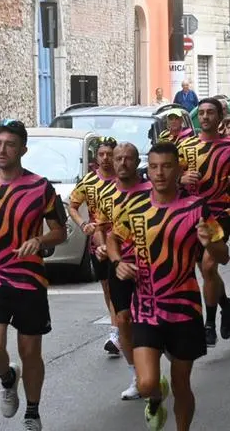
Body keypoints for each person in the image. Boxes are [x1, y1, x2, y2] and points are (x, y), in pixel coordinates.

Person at [107, 142, 229, 431]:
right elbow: (113, 238)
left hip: (184, 308)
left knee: (182, 382)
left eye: (166, 166)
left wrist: (210, 242)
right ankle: (155, 396)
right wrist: (117, 263)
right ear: (147, 170)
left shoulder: (196, 208)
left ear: (178, 169)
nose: (159, 173)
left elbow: (222, 255)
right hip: (146, 308)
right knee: (147, 382)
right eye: (154, 166)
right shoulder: (135, 206)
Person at [0, 119, 68, 431]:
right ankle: (8, 378)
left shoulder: (40, 187)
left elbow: (60, 231)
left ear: (23, 149)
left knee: (30, 351)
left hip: (30, 281)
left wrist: (40, 240)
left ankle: (32, 411)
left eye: (9, 144)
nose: (2, 150)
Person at [178, 98, 230, 346]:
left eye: (210, 113)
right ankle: (226, 305)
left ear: (220, 118)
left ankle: (209, 324)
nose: (205, 117)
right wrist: (183, 178)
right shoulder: (185, 146)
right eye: (202, 113)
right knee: (206, 270)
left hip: (220, 210)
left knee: (208, 267)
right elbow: (173, 176)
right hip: (192, 213)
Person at [95, 142, 151, 401]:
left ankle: (155, 364)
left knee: (151, 321)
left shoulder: (152, 191)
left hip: (153, 265)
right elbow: (101, 229)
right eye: (118, 159)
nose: (122, 163)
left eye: (128, 158)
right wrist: (101, 248)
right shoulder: (107, 196)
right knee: (124, 319)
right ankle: (136, 375)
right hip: (120, 265)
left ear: (137, 162)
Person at [69, 137, 121, 357]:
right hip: (97, 244)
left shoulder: (124, 180)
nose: (105, 158)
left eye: (110, 154)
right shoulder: (89, 182)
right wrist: (83, 224)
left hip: (123, 243)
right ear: (96, 157)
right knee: (108, 287)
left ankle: (118, 330)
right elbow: (72, 206)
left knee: (123, 286)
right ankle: (116, 329)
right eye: (101, 154)